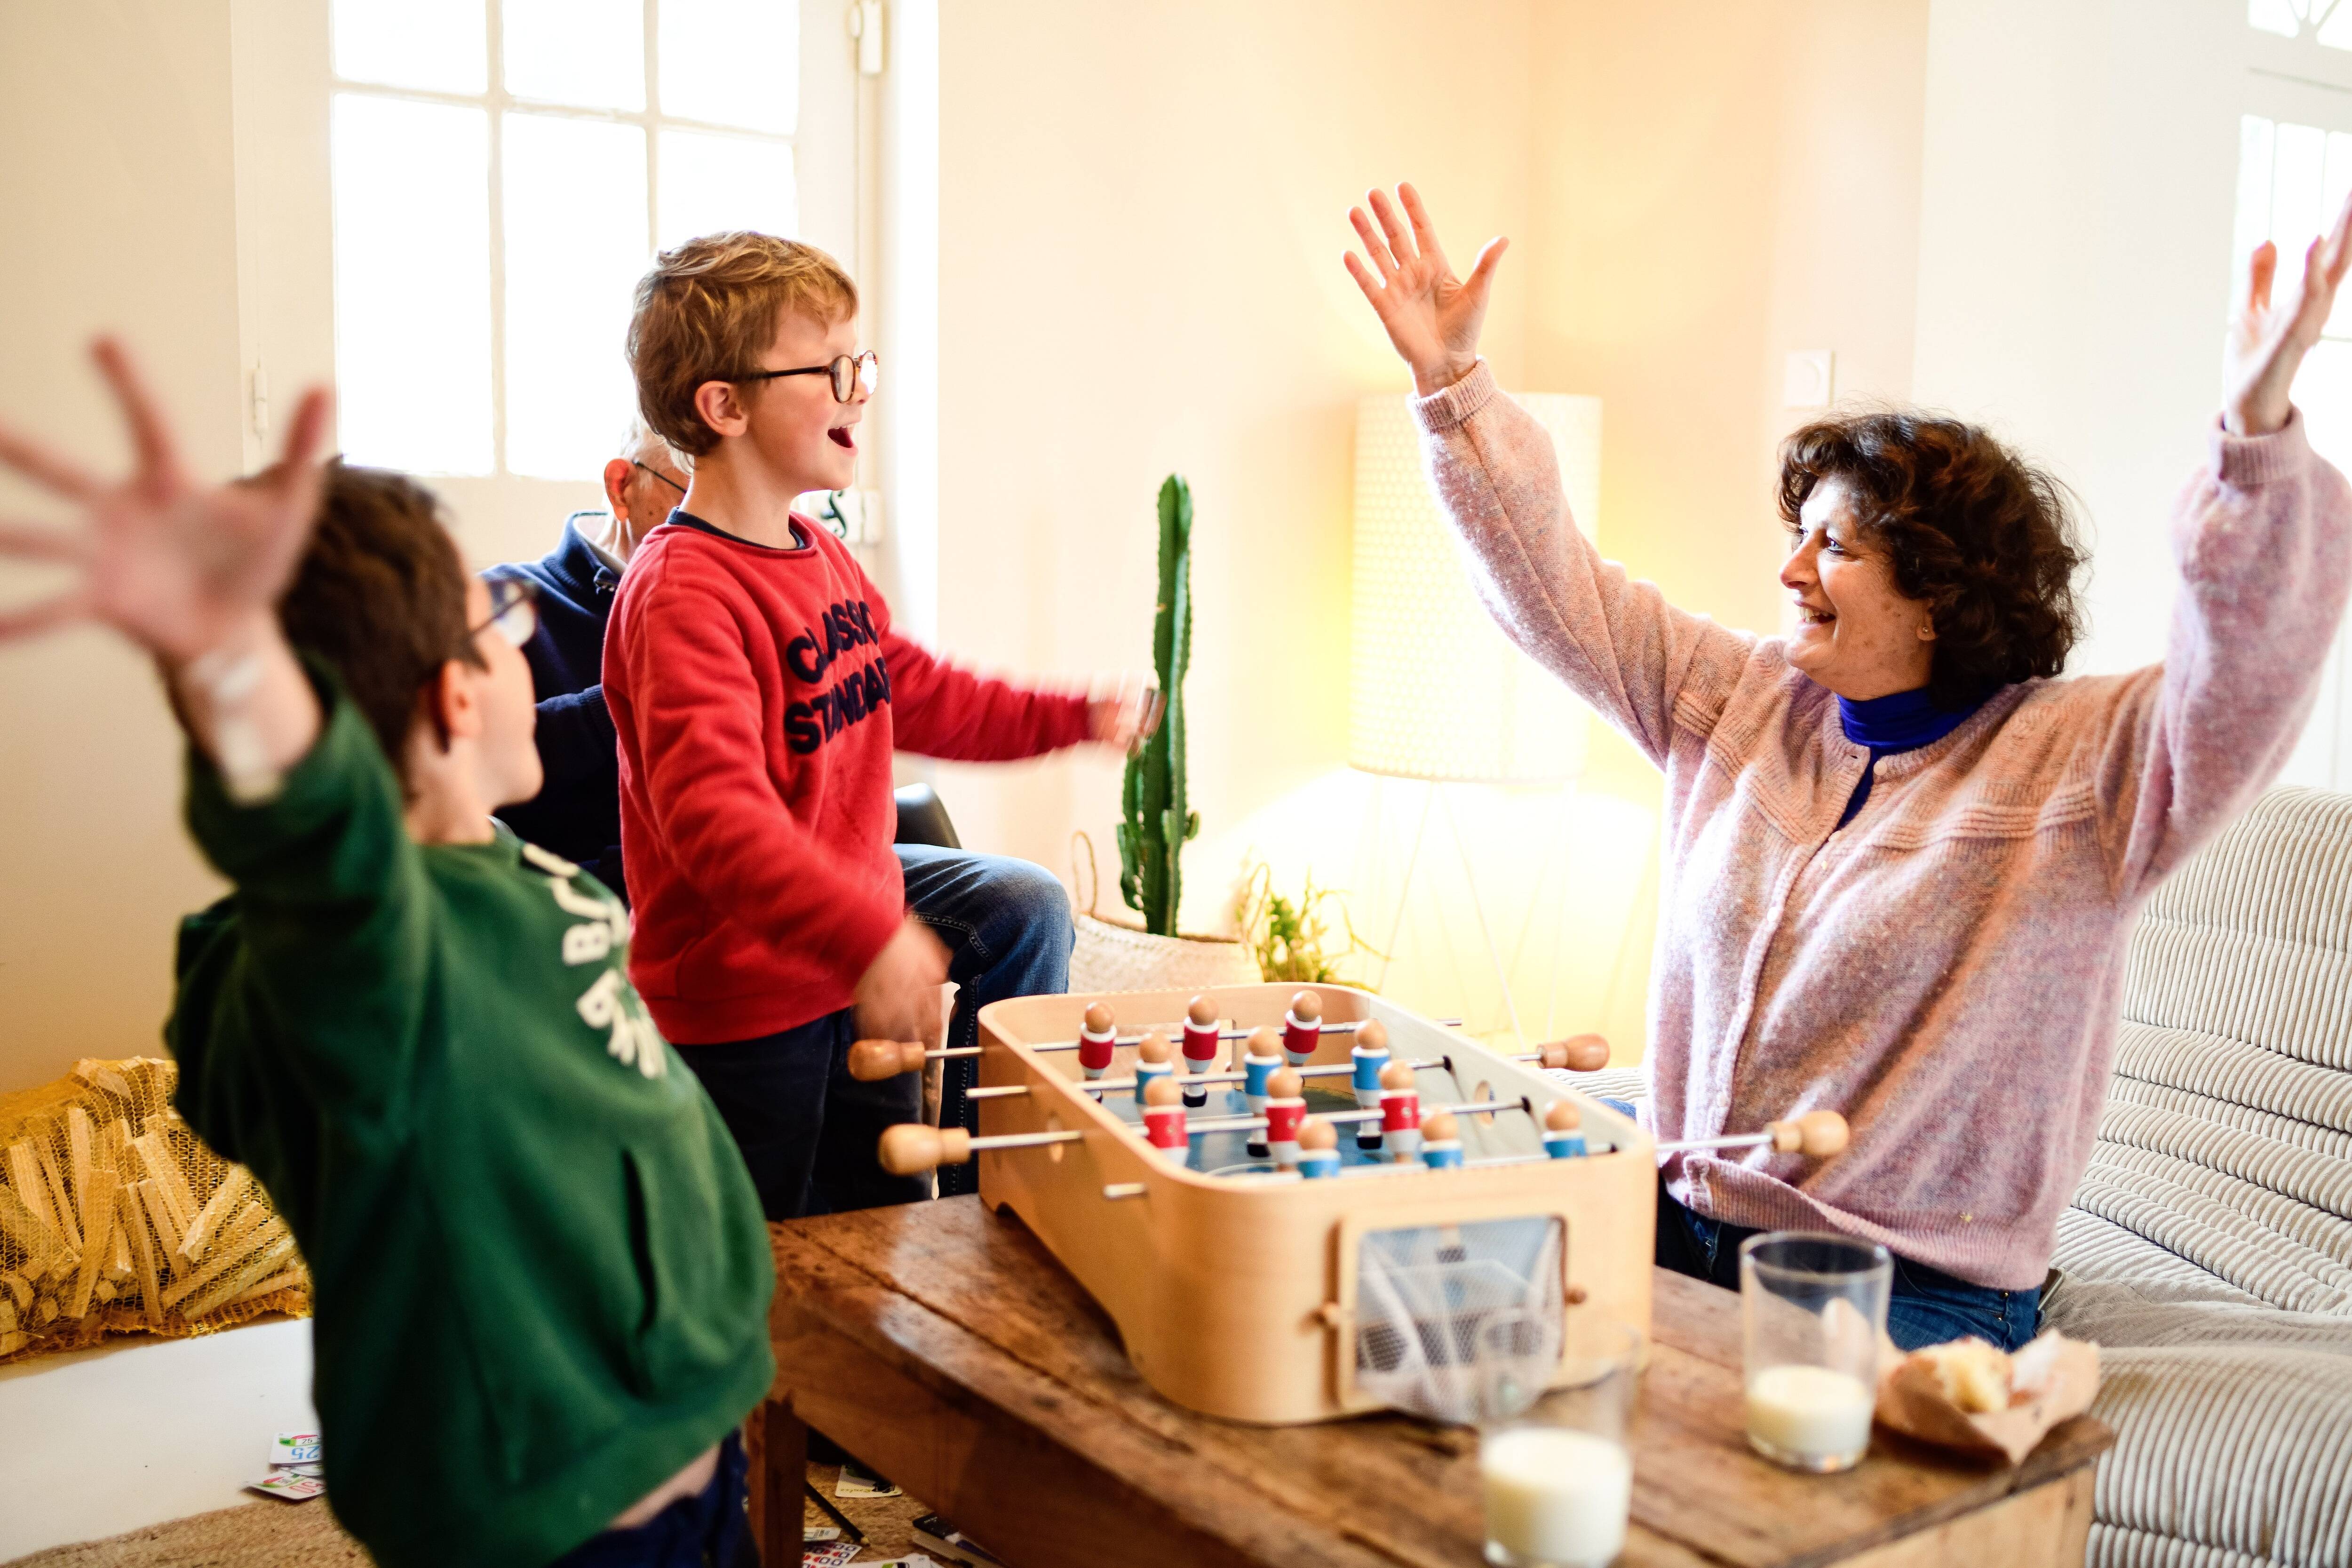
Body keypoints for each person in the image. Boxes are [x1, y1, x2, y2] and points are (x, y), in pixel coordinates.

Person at [1342, 182, 2352, 1351]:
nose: (1791, 572)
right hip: (1676, 1217)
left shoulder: (2080, 768)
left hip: (1902, 1286)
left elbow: (2243, 674)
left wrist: (2255, 441)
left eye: (1836, 546)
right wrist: (1451, 385)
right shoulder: (1742, 699)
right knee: (1406, 1319)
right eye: (1795, 535)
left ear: (1937, 593)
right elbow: (1552, 587)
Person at [0, 344, 773, 1568]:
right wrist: (243, 690)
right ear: (455, 697)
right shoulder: (363, 947)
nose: (530, 633)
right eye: (504, 617)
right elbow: (327, 887)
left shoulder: (523, 878)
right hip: (553, 1520)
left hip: (689, 1441)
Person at [607, 231, 1156, 1214]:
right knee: (774, 1285)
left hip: (842, 976)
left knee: (874, 1241)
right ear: (723, 406)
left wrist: (1070, 714)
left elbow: (920, 690)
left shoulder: (817, 553)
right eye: (829, 368)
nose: (861, 387)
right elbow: (716, 821)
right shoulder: (681, 592)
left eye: (862, 361)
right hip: (743, 1019)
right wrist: (873, 935)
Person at [489, 422, 691, 903]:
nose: (717, 524)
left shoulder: (734, 603)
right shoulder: (495, 605)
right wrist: (626, 703)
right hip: (608, 906)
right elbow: (466, 763)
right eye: (692, 495)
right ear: (621, 487)